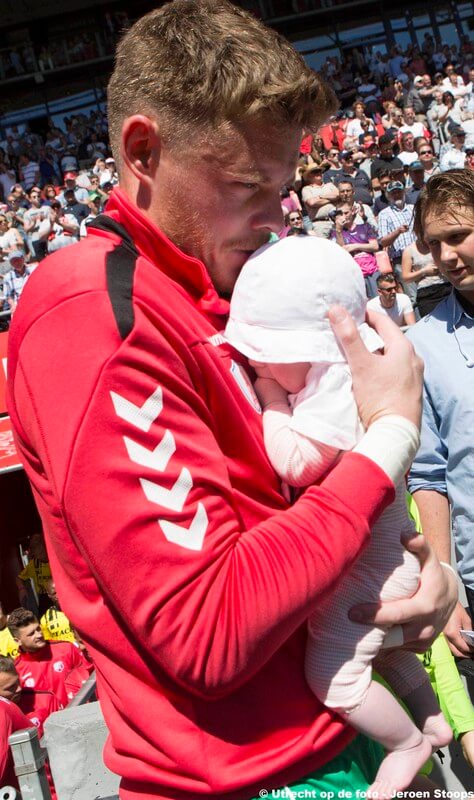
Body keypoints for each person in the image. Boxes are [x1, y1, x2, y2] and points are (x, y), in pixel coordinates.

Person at [6, 3, 456, 798]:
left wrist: (424, 575)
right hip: (257, 781)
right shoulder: (92, 313)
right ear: (144, 150)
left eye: (286, 191)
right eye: (251, 187)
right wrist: (390, 438)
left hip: (340, 736)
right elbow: (209, 634)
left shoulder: (226, 294)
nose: (278, 219)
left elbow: (304, 516)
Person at [224, 236, 451, 798]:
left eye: (264, 351)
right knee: (385, 649)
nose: (255, 361)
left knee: (335, 672)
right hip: (391, 557)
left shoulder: (332, 383)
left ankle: (406, 744)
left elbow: (298, 462)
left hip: (372, 568)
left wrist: (272, 400)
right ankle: (429, 715)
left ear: (313, 345)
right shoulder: (348, 366)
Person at [407, 168, 474, 656]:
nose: (447, 257)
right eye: (434, 244)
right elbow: (429, 475)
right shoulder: (422, 344)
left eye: (458, 236)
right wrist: (446, 583)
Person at [8, 608, 90, 707]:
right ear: (18, 641)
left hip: (78, 713)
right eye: (31, 634)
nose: (39, 635)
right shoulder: (17, 671)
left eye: (38, 629)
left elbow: (88, 677)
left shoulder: (66, 649)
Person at [330, 203, 379, 298]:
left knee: (377, 301)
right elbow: (341, 252)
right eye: (340, 214)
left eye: (346, 213)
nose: (344, 216)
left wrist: (355, 246)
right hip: (353, 275)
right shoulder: (334, 233)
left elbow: (375, 246)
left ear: (352, 212)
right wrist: (339, 231)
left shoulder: (365, 227)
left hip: (372, 271)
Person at [401, 240, 451, 317]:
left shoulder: (441, 244)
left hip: (447, 286)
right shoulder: (409, 250)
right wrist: (424, 271)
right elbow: (406, 278)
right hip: (427, 292)